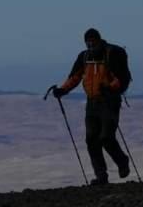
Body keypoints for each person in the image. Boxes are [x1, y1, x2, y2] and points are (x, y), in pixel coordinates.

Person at [52, 28, 131, 185]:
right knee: (92, 140)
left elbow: (120, 78)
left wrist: (110, 88)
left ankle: (122, 162)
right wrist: (63, 90)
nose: (90, 44)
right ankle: (101, 176)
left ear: (99, 39)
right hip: (92, 103)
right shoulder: (84, 57)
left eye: (92, 41)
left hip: (109, 101)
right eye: (87, 42)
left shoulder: (111, 54)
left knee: (106, 137)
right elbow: (75, 77)